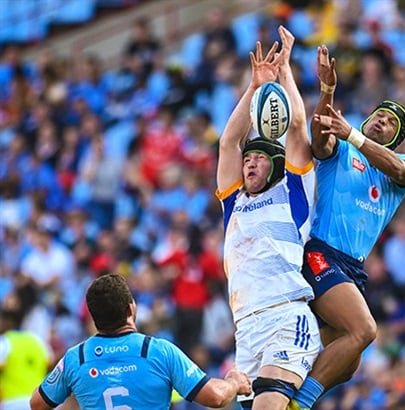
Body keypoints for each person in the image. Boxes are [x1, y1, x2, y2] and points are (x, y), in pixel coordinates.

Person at [291, 45, 405, 409]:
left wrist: (353, 134)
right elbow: (319, 138)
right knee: (363, 330)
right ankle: (297, 403)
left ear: (397, 139)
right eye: (379, 114)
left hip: (353, 268)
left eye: (391, 123)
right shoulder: (344, 151)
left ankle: (273, 389)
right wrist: (327, 92)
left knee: (347, 365)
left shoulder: (399, 167)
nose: (382, 121)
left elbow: (401, 170)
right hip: (321, 253)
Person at [215, 26, 320, 410]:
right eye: (248, 157)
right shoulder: (233, 203)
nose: (250, 161)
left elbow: (295, 127)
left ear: (274, 165)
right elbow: (228, 142)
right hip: (246, 328)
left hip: (286, 316)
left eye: (259, 156)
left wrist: (285, 71)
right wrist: (254, 86)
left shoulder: (293, 195)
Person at [29, 274, 251, 410]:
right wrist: (233, 382)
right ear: (131, 309)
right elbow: (215, 397)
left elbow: (37, 404)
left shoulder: (76, 358)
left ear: (94, 318)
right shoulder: (158, 351)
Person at [0, 308, 50, 410]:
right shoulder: (37, 341)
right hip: (36, 401)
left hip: (11, 402)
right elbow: (50, 361)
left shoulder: (5, 342)